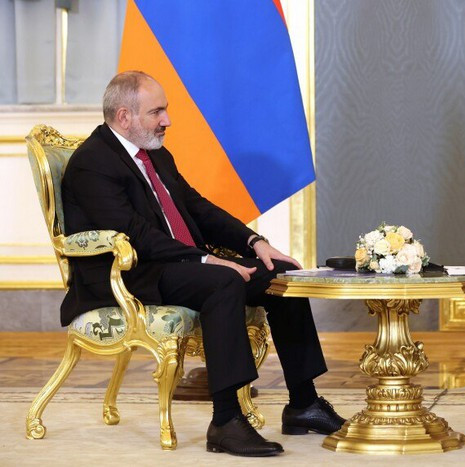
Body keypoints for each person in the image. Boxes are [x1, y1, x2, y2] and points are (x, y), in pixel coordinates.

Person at [61, 71, 345, 457]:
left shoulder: (155, 154)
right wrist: (207, 259)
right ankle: (226, 421)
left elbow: (198, 208)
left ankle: (303, 403)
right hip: (129, 275)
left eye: (165, 110)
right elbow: (133, 232)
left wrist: (255, 242)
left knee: (280, 276)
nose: (167, 120)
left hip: (176, 264)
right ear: (124, 116)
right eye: (156, 112)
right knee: (222, 282)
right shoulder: (91, 162)